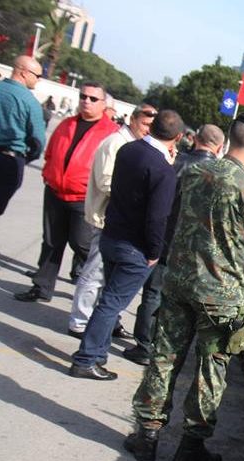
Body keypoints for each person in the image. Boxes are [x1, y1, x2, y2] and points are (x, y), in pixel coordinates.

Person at [123, 112, 244, 461]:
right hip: (221, 297)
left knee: (164, 357)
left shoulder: (190, 171)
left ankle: (147, 436)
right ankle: (190, 448)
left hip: (179, 281)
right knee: (211, 370)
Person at [68, 110, 183, 380]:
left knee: (108, 300)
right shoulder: (163, 170)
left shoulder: (128, 149)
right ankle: (87, 358)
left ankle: (96, 353)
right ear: (177, 137)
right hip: (135, 246)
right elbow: (157, 218)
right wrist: (155, 252)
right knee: (111, 303)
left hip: (112, 235)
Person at [122, 124, 225, 365]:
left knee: (152, 293)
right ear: (219, 148)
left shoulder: (177, 163)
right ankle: (160, 344)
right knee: (174, 301)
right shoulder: (220, 176)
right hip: (194, 248)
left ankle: (145, 344)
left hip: (166, 239)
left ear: (195, 138)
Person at [15, 81, 119, 303]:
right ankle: (41, 286)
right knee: (51, 242)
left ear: (104, 104)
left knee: (83, 244)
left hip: (84, 198)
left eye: (93, 99)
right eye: (83, 96)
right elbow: (51, 152)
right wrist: (48, 175)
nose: (86, 101)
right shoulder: (66, 124)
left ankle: (104, 294)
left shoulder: (111, 133)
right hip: (55, 192)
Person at [67, 104, 156, 338]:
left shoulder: (135, 145)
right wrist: (138, 195)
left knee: (111, 280)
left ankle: (109, 322)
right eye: (145, 124)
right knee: (94, 273)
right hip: (105, 219)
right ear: (133, 119)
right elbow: (106, 182)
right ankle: (80, 321)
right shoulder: (114, 143)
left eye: (152, 126)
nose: (148, 129)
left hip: (120, 221)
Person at [0, 55, 46, 216]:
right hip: (8, 162)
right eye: (38, 76)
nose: (39, 80)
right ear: (25, 73)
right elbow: (38, 142)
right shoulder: (30, 102)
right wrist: (25, 159)